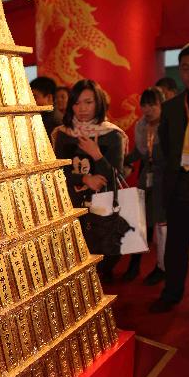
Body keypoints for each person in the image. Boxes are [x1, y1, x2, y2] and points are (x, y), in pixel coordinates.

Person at [151, 41, 189, 328]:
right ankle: (171, 294)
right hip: (179, 186)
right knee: (175, 247)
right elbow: (163, 153)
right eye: (186, 68)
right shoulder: (171, 108)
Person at [52, 79, 127, 281]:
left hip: (103, 207)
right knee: (72, 255)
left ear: (98, 103)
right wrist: (85, 178)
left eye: (88, 102)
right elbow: (58, 172)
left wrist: (97, 156)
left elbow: (117, 176)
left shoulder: (112, 134)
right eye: (76, 103)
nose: (82, 109)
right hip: (71, 204)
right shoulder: (63, 134)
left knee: (104, 256)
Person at [123, 87, 165, 284]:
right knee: (140, 225)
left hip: (164, 181)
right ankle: (134, 265)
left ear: (161, 105)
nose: (148, 109)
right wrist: (121, 160)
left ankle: (162, 267)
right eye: (144, 105)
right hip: (145, 181)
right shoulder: (141, 126)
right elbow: (139, 153)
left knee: (162, 228)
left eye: (152, 105)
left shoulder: (169, 125)